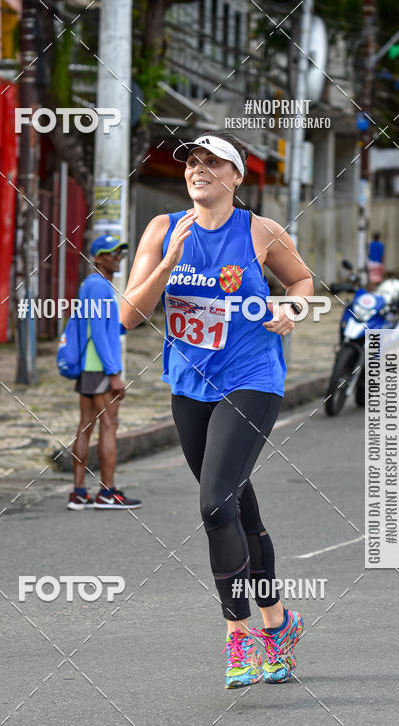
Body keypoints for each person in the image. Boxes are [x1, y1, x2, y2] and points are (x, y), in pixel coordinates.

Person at [121, 132, 314, 688]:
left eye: (212, 163)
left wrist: (291, 307)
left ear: (236, 176)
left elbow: (301, 279)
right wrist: (169, 263)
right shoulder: (162, 230)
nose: (198, 170)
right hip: (189, 385)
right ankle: (279, 621)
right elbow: (129, 316)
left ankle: (239, 636)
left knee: (213, 504)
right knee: (235, 507)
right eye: (192, 163)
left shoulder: (260, 232)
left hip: (252, 380)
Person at [67, 235, 141, 510]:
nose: (117, 257)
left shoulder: (92, 285)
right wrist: (113, 374)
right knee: (109, 426)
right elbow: (98, 333)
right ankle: (107, 492)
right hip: (100, 369)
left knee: (85, 426)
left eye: (120, 252)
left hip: (89, 367)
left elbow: (102, 326)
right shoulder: (99, 287)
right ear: (98, 258)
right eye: (111, 253)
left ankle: (78, 493)